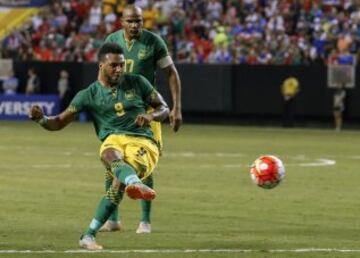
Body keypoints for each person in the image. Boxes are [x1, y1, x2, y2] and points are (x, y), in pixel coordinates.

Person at [28, 43, 170, 250]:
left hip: (143, 141)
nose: (119, 70)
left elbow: (164, 108)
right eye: (114, 65)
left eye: (122, 65)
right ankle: (134, 183)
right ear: (101, 65)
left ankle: (89, 235)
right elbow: (58, 122)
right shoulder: (87, 95)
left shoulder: (138, 82)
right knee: (108, 153)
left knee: (117, 185)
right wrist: (41, 119)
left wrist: (151, 115)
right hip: (113, 139)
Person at [102, 4, 182, 234]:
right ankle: (113, 219)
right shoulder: (112, 40)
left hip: (146, 111)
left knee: (144, 164)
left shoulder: (153, 42)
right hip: (117, 111)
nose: (136, 25)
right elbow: (105, 74)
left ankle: (145, 221)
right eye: (131, 21)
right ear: (122, 22)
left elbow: (171, 73)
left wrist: (176, 108)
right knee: (112, 164)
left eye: (139, 21)